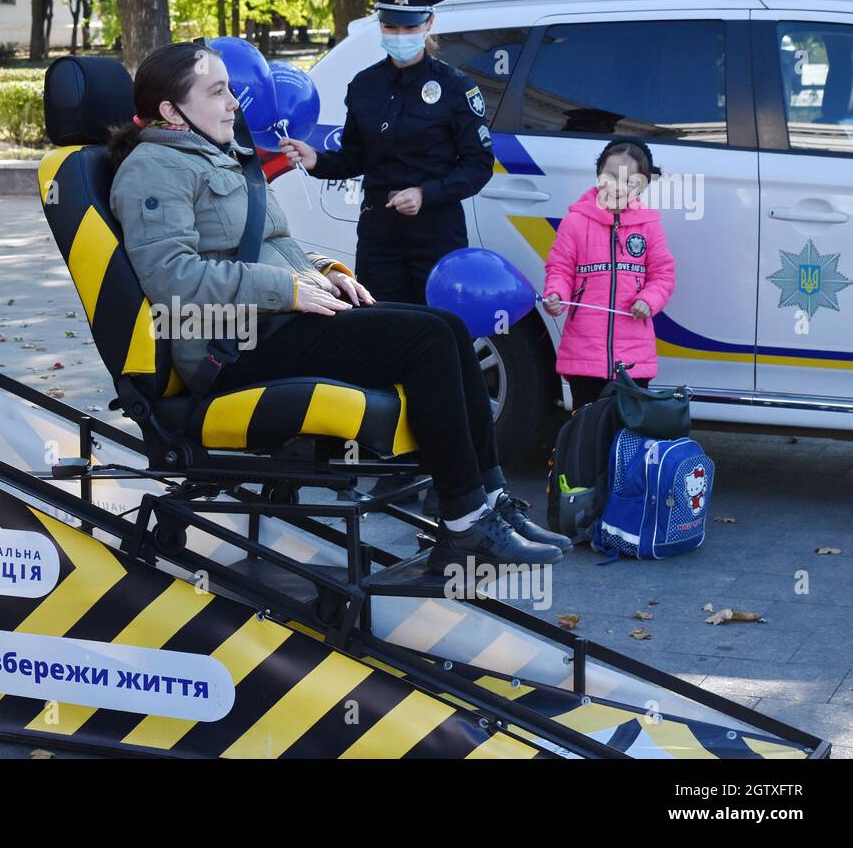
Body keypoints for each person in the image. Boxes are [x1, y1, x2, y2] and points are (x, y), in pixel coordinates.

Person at [106, 41, 571, 572]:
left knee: (444, 325)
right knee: (425, 341)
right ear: (171, 111)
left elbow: (272, 246)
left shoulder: (210, 154)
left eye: (230, 89)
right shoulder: (153, 169)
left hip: (275, 320)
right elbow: (172, 279)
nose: (233, 102)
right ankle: (464, 522)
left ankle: (488, 502)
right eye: (217, 92)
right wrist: (289, 289)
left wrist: (326, 273)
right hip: (232, 345)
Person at [279, 0, 494, 305]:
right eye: (391, 27)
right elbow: (355, 157)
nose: (400, 35)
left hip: (436, 230)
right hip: (379, 232)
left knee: (438, 325)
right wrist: (317, 160)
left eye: (410, 27)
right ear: (380, 25)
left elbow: (478, 166)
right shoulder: (365, 85)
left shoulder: (456, 87)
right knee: (383, 325)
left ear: (428, 24)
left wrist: (426, 193)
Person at [542, 138, 676, 407]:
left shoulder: (649, 225)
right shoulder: (576, 221)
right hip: (583, 356)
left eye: (630, 181)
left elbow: (663, 275)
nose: (618, 186)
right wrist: (555, 293)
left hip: (634, 359)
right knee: (588, 428)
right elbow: (560, 268)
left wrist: (649, 300)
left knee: (626, 433)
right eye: (611, 176)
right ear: (598, 174)